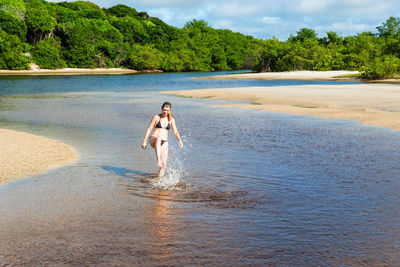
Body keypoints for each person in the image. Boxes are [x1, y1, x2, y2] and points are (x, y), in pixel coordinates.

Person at [142, 102, 183, 178]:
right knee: (158, 139)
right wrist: (144, 141)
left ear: (170, 110)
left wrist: (180, 140)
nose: (165, 112)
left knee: (163, 165)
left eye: (167, 110)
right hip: (154, 139)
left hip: (164, 141)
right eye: (164, 110)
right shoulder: (156, 117)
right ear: (161, 109)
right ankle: (158, 160)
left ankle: (159, 181)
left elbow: (175, 131)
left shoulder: (171, 119)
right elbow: (149, 129)